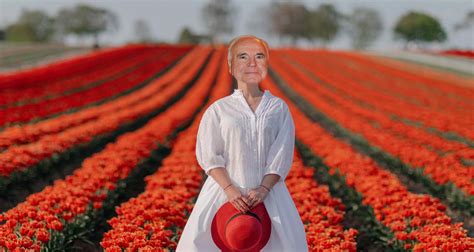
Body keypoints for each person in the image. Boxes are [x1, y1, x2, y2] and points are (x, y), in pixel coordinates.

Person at [176, 35, 308, 251]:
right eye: (243, 57)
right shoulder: (219, 110)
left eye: (259, 56)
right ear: (231, 66)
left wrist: (264, 189)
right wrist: (230, 189)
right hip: (224, 192)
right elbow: (209, 156)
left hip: (269, 194)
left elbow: (282, 154)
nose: (251, 63)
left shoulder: (278, 108)